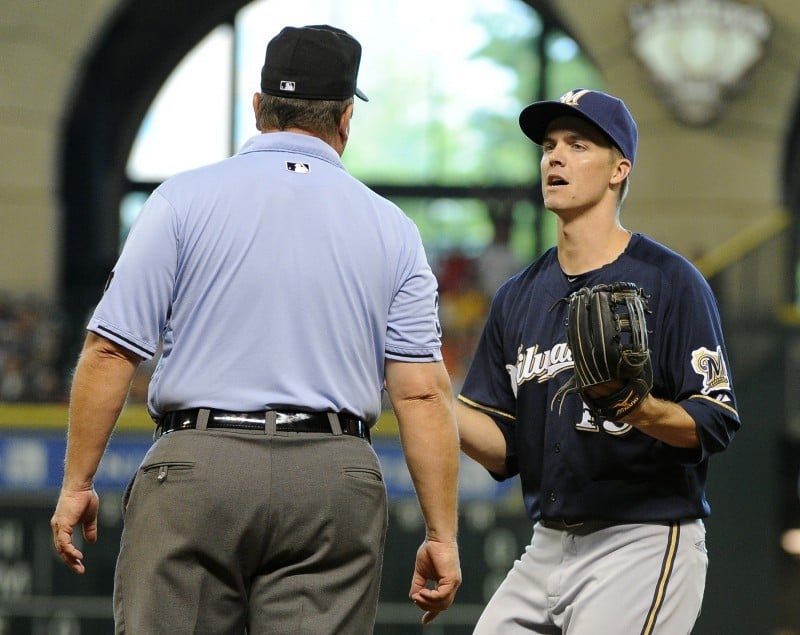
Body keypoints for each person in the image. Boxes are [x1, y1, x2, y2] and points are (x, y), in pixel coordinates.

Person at [50, 24, 461, 634]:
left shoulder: (180, 201)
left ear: (257, 107)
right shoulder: (392, 227)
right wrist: (442, 533)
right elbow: (422, 392)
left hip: (198, 469)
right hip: (333, 476)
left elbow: (111, 352)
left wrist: (77, 482)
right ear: (345, 118)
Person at [455, 88, 740, 634]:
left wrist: (637, 408)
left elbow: (714, 421)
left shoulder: (671, 281)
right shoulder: (518, 295)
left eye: (578, 145)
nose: (555, 157)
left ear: (619, 170)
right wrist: (420, 394)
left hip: (642, 538)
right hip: (546, 544)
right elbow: (503, 447)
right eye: (549, 146)